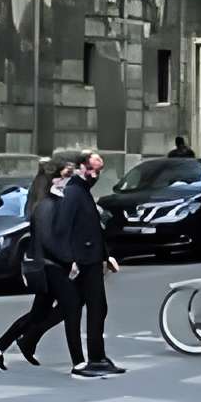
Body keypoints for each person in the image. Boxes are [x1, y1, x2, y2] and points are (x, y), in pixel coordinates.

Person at [0, 161, 77, 371]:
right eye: (63, 176)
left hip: (50, 266)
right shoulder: (44, 205)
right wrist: (69, 260)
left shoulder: (45, 201)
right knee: (71, 305)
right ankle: (24, 342)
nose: (66, 181)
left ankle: (3, 346)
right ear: (53, 179)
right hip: (49, 267)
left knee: (39, 313)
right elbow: (48, 241)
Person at [49, 148, 125, 378]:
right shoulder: (74, 192)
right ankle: (94, 358)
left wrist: (105, 256)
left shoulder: (81, 191)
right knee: (90, 308)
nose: (95, 175)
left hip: (91, 259)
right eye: (92, 170)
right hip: (83, 261)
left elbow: (91, 228)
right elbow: (63, 229)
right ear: (82, 167)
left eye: (99, 171)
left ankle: (97, 357)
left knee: (93, 308)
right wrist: (70, 259)